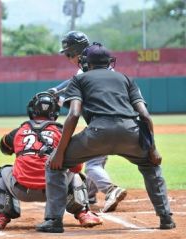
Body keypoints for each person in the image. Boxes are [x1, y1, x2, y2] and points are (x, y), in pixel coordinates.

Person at [37, 43, 176, 233]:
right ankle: (166, 218)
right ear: (109, 62)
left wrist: (59, 153)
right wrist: (153, 149)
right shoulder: (125, 78)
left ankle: (53, 221)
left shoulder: (79, 80)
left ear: (86, 62)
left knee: (54, 165)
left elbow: (74, 114)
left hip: (97, 134)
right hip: (131, 133)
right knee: (151, 166)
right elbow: (145, 115)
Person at [0, 92, 102, 230]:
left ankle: (1, 216)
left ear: (32, 110)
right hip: (54, 190)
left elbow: (4, 148)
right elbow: (76, 168)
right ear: (55, 112)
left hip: (21, 190)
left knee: (3, 172)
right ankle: (84, 213)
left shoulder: (19, 130)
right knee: (75, 174)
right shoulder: (62, 131)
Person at [48, 31, 127, 213]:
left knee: (91, 164)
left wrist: (57, 97)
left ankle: (111, 189)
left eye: (68, 54)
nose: (68, 58)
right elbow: (73, 81)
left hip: (103, 123)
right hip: (124, 122)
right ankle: (90, 194)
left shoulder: (88, 68)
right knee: (96, 157)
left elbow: (74, 94)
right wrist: (57, 90)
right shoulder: (98, 63)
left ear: (76, 52)